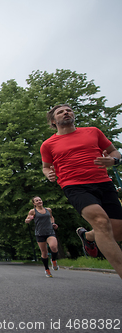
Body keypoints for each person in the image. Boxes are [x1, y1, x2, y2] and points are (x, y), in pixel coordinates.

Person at [40, 103, 122, 279]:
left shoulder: (93, 132)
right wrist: (49, 175)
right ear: (54, 121)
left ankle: (88, 236)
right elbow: (46, 167)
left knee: (117, 232)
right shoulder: (48, 144)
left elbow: (114, 152)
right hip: (74, 185)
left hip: (103, 183)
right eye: (60, 112)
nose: (66, 113)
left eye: (68, 110)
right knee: (100, 221)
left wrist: (113, 161)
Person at [25, 196, 59, 278]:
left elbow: (51, 217)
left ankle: (53, 260)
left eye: (40, 200)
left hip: (50, 232)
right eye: (37, 201)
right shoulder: (33, 211)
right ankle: (47, 269)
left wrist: (53, 224)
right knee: (44, 252)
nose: (39, 201)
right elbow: (26, 221)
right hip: (40, 233)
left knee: (53, 247)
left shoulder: (48, 210)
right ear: (34, 203)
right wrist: (29, 219)